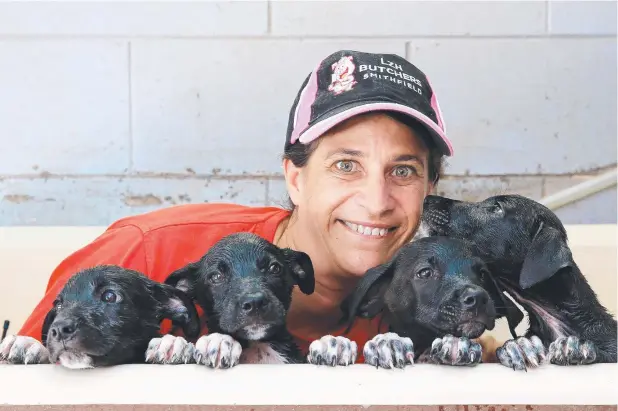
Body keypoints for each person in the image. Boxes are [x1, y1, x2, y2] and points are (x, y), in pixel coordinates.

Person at [17, 50, 500, 363]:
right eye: (346, 166)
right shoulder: (147, 251)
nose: (376, 202)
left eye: (403, 171)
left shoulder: (431, 303)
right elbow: (24, 378)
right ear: (295, 177)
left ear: (430, 188)